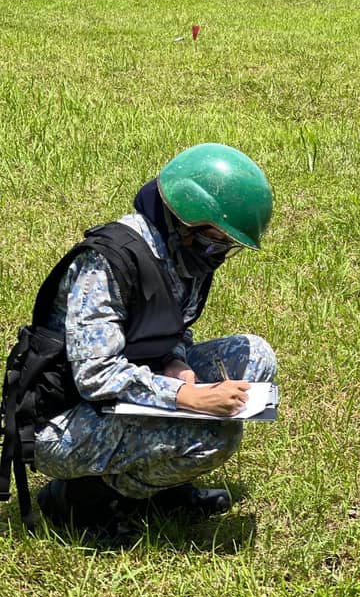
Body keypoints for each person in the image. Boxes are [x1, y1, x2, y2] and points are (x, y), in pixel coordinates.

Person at [27, 142, 276, 532]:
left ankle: (164, 487)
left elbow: (168, 325)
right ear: (187, 219)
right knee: (217, 436)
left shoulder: (188, 254)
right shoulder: (107, 262)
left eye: (228, 246)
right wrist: (185, 397)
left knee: (254, 356)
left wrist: (175, 359)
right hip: (65, 419)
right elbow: (96, 375)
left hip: (128, 393)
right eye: (217, 240)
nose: (220, 254)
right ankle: (81, 501)